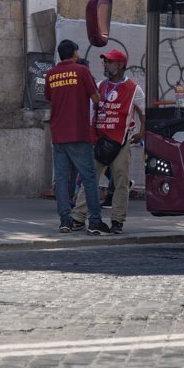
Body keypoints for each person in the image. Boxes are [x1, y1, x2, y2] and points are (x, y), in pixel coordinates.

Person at [71, 49, 145, 233]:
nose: (105, 65)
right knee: (90, 179)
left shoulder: (134, 89)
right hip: (100, 140)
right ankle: (78, 217)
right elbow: (91, 113)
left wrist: (142, 133)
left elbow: (144, 113)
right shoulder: (100, 86)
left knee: (121, 180)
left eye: (109, 62)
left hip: (121, 141)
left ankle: (117, 219)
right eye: (105, 62)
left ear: (120, 65)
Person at [44, 40, 108, 234]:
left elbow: (49, 97)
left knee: (62, 180)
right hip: (78, 133)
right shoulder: (81, 71)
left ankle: (65, 221)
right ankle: (95, 221)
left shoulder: (51, 74)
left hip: (58, 134)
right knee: (89, 178)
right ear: (74, 53)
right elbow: (95, 98)